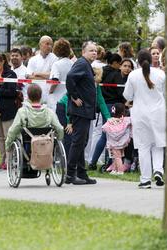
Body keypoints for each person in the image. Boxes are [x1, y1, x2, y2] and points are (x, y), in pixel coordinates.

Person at [123, 49, 165, 189]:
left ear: (138, 62)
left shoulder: (133, 75)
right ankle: (158, 170)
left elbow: (127, 95)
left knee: (143, 147)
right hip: (158, 113)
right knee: (158, 144)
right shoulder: (160, 74)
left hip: (140, 115)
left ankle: (146, 179)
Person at [65, 41, 98, 185]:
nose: (94, 53)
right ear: (83, 52)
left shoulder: (86, 65)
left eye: (96, 51)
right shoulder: (81, 63)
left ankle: (82, 173)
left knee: (82, 142)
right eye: (91, 50)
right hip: (81, 109)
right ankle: (70, 174)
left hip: (86, 109)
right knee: (78, 142)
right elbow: (70, 77)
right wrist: (74, 96)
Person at [5, 84, 63, 152]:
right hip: (46, 146)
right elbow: (59, 128)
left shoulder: (22, 111)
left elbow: (13, 130)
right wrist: (58, 139)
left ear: (28, 96)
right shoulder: (49, 112)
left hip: (28, 147)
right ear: (41, 96)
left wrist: (8, 145)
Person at [0, 53, 18, 169]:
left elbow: (12, 92)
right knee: (0, 137)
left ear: (3, 61)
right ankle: (3, 159)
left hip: (8, 110)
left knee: (9, 136)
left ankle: (10, 160)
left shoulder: (10, 74)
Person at [102, 103, 131, 175]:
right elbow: (131, 121)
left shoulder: (110, 121)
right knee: (118, 157)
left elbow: (103, 128)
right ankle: (114, 169)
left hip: (113, 143)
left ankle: (120, 171)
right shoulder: (125, 120)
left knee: (117, 157)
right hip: (122, 142)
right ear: (123, 112)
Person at [26, 35, 58, 103]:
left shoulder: (55, 58)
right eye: (47, 44)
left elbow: (53, 76)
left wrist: (37, 74)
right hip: (34, 95)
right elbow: (28, 77)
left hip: (49, 96)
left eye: (51, 44)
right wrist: (47, 78)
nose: (49, 46)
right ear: (40, 45)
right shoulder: (33, 59)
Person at [48, 38, 73, 111]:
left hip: (57, 99)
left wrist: (50, 91)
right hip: (68, 98)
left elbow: (55, 79)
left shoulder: (56, 64)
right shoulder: (73, 64)